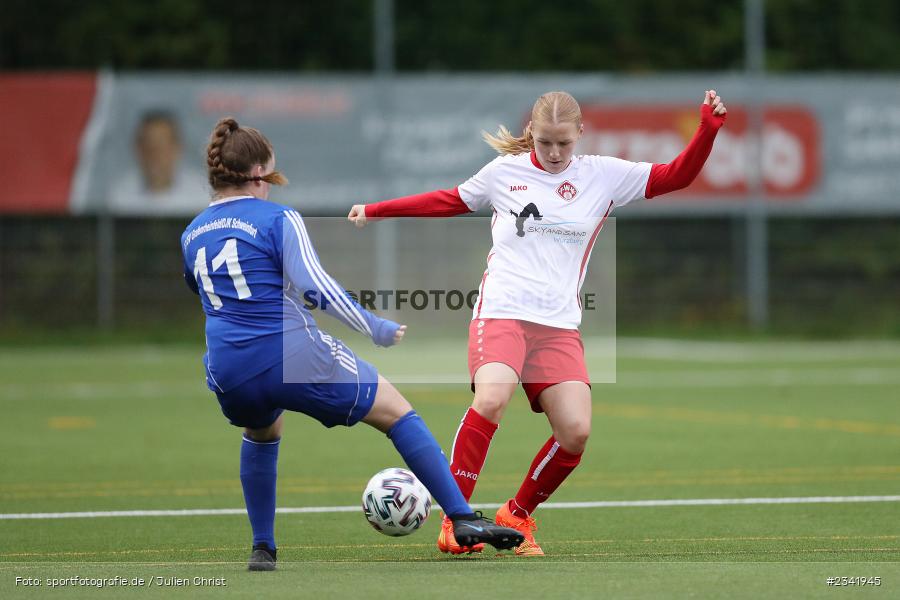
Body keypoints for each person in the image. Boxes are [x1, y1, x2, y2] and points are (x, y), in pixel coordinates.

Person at [348, 90, 727, 556]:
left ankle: (517, 515)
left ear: (580, 134)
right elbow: (447, 201)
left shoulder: (603, 176)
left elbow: (677, 176)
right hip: (502, 312)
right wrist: (376, 209)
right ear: (531, 132)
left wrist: (707, 129)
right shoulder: (504, 173)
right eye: (544, 142)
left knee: (575, 432)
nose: (553, 152)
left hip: (558, 326)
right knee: (492, 398)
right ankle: (456, 520)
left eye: (563, 143)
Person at [181, 117, 523, 571]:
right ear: (259, 173)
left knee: (261, 431)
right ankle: (462, 518)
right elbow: (316, 286)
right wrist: (373, 325)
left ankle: (262, 547)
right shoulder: (278, 218)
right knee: (398, 413)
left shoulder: (192, 233)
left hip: (228, 371)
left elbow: (205, 294)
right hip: (290, 355)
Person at [109, 110, 206, 215]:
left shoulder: (201, 195)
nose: (155, 153)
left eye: (162, 145)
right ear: (138, 149)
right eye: (148, 145)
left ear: (177, 148)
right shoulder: (121, 194)